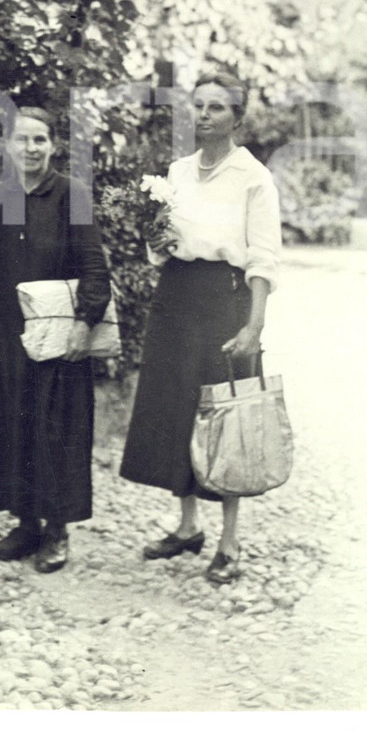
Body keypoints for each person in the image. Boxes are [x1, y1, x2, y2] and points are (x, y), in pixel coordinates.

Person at [119, 71, 282, 584]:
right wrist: (155, 235)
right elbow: (162, 242)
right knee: (175, 408)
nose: (205, 115)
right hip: (177, 295)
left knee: (226, 418)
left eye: (217, 107)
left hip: (224, 302)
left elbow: (263, 257)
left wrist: (255, 325)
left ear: (238, 116)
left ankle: (230, 539)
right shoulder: (179, 171)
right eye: (199, 106)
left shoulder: (253, 177)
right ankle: (188, 526)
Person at [0, 106, 112, 573]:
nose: (30, 149)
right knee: (12, 428)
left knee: (55, 433)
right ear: (8, 145)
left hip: (57, 339)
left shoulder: (73, 194)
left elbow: (94, 268)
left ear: (54, 145)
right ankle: (25, 525)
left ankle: (56, 531)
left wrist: (84, 325)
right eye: (22, 140)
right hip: (6, 334)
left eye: (39, 140)